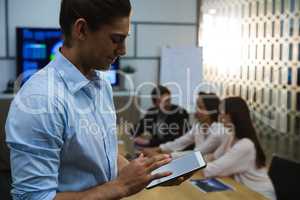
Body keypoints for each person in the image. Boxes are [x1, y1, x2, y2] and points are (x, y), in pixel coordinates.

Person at [5, 1, 181, 199]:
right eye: (116, 39)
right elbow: (33, 198)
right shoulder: (39, 101)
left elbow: (104, 155)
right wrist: (121, 186)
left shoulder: (101, 84)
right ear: (81, 30)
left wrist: (150, 174)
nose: (123, 50)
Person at [203, 97, 276, 200]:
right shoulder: (231, 137)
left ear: (232, 114)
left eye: (222, 113)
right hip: (242, 191)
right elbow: (213, 157)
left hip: (259, 195)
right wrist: (195, 161)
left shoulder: (245, 145)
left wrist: (192, 165)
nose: (220, 117)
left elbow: (213, 169)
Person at [142, 92, 228, 158]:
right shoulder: (199, 126)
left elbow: (196, 154)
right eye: (197, 107)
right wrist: (158, 149)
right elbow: (180, 142)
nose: (196, 111)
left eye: (201, 107)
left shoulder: (219, 130)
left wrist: (163, 156)